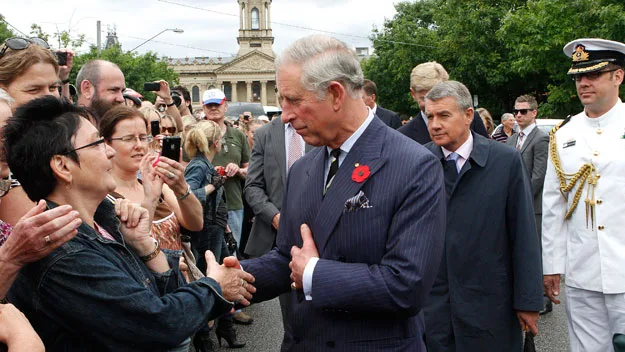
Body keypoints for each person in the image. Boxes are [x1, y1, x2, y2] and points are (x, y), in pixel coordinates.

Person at [240, 34, 446, 351]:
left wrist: (314, 273)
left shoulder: (414, 166)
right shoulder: (303, 168)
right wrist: (226, 281)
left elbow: (407, 286)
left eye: (294, 100)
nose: (286, 115)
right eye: (282, 101)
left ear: (336, 94)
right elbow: (287, 258)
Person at [4, 96, 255, 350]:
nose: (110, 151)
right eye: (98, 143)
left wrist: (147, 248)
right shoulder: (63, 251)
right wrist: (215, 287)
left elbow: (166, 295)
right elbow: (160, 324)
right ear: (62, 166)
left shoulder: (106, 217)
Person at [422, 81, 543, 351]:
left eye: (443, 115)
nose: (435, 124)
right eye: (429, 116)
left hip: (491, 307)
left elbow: (523, 234)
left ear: (468, 116)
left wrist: (528, 301)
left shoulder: (505, 161)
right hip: (435, 309)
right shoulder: (419, 163)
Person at [542, 38, 625, 351]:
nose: (583, 83)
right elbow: (553, 205)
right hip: (582, 271)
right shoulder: (564, 134)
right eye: (578, 77)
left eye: (593, 75)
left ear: (617, 76)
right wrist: (552, 265)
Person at [243, 110, 312, 332]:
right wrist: (274, 217)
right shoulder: (265, 134)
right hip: (279, 238)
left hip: (317, 233)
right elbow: (253, 186)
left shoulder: (320, 127)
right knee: (291, 315)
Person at [99, 106, 203, 251]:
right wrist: (150, 201)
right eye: (129, 139)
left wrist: (181, 187)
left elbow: (196, 224)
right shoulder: (103, 198)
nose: (139, 146)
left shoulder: (157, 185)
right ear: (107, 144)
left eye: (143, 137)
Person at [184, 121, 245, 350]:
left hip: (217, 228)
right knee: (207, 282)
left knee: (231, 272)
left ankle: (225, 327)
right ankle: (202, 337)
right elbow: (187, 196)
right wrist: (212, 186)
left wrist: (227, 230)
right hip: (206, 232)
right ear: (217, 143)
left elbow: (217, 202)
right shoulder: (198, 166)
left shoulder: (205, 165)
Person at [398, 61, 488, 144]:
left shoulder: (472, 118)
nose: (431, 104)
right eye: (424, 98)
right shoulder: (403, 136)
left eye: (439, 97)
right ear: (413, 93)